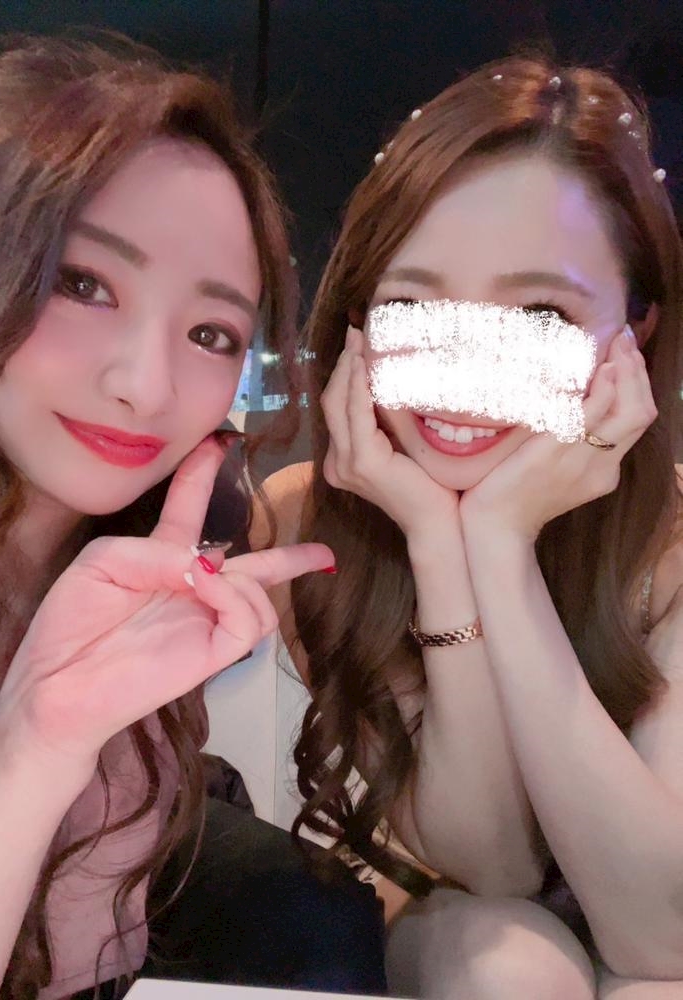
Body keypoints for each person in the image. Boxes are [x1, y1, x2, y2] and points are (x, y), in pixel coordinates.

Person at [0, 33, 388, 1000]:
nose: (146, 386)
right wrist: (33, 752)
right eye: (82, 283)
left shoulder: (176, 540)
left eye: (211, 333)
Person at [256, 56, 683, 999]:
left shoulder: (669, 540)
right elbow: (491, 868)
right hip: (449, 922)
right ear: (361, 321)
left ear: (636, 328)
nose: (465, 369)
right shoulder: (311, 521)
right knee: (512, 968)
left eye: (540, 312)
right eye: (414, 304)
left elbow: (661, 936)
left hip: (648, 934)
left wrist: (502, 545)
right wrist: (441, 546)